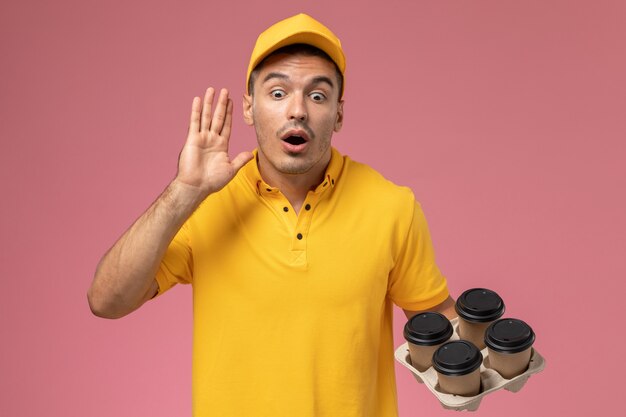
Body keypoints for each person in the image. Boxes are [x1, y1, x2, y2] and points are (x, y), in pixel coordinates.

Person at [88, 13, 456, 417]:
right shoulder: (203, 204)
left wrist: (500, 349)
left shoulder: (392, 207)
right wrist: (183, 192)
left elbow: (445, 337)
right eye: (277, 93)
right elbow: (107, 301)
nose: (297, 110)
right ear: (248, 106)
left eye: (317, 96)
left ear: (338, 114)